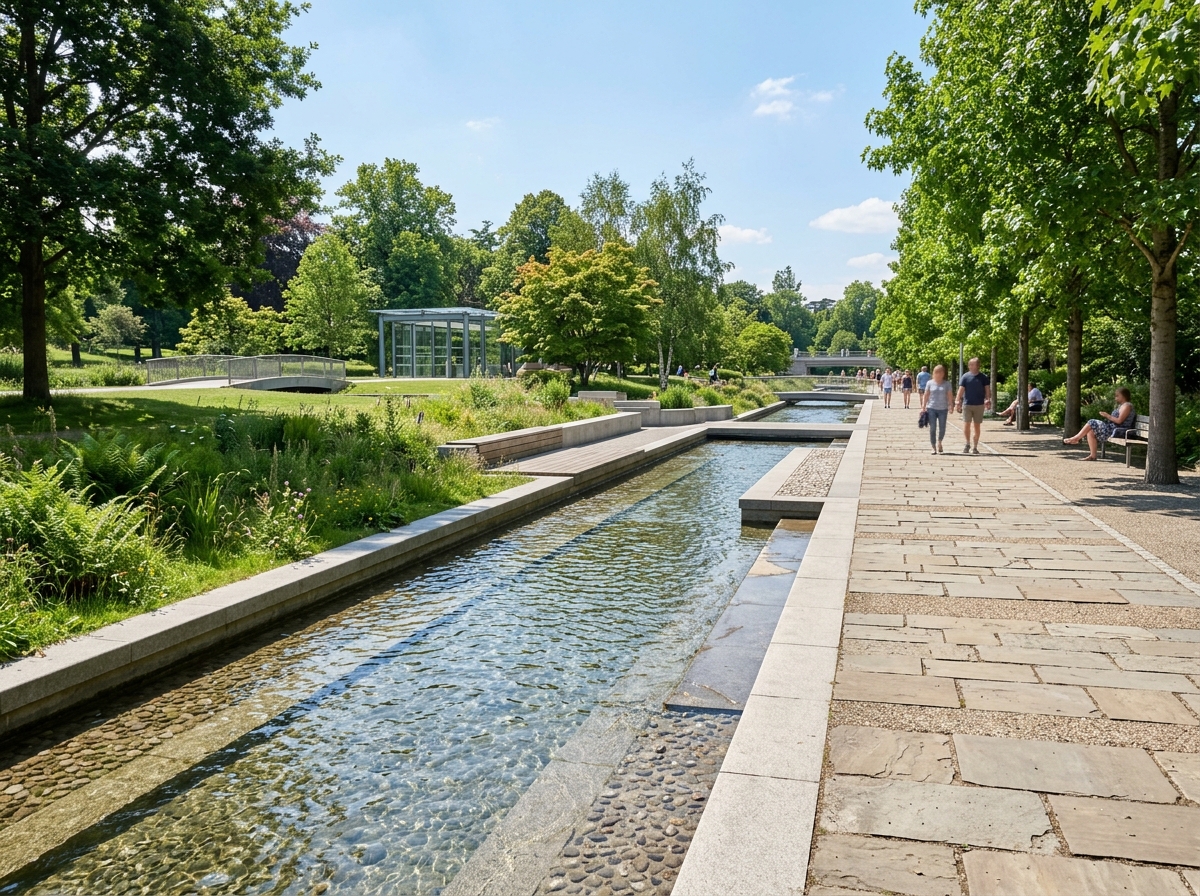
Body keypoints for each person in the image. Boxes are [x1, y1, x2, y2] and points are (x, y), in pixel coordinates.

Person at [1063, 388, 1135, 461]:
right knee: (1091, 431)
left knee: (1092, 422)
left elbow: (1119, 421)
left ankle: (1076, 438)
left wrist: (1107, 416)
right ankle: (1093, 456)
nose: (1115, 398)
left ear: (1123, 396)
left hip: (1119, 431)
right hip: (1113, 429)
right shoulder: (1122, 406)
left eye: (1117, 396)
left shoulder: (1127, 406)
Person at [955, 357, 991, 454]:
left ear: (978, 365)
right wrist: (957, 401)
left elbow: (987, 390)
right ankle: (967, 443)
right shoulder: (965, 377)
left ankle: (975, 446)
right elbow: (961, 390)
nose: (970, 366)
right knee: (966, 424)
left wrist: (988, 400)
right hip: (967, 404)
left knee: (976, 426)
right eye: (969, 364)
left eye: (972, 364)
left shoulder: (983, 377)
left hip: (979, 405)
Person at [922, 364, 953, 454]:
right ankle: (933, 446)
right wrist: (923, 406)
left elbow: (950, 395)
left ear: (943, 373)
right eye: (936, 372)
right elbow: (926, 395)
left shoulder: (947, 384)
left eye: (940, 372)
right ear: (933, 373)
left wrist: (951, 406)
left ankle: (940, 442)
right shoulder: (929, 383)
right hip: (931, 408)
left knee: (942, 428)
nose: (938, 374)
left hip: (943, 409)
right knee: (933, 428)